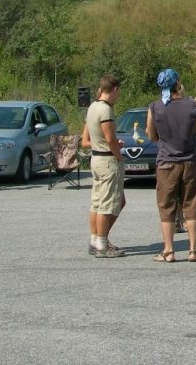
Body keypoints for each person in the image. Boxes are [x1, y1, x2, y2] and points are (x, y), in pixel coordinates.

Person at [146, 69, 196, 262]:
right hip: (189, 161)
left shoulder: (155, 107)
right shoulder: (192, 105)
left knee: (167, 207)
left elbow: (151, 135)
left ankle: (169, 251)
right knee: (191, 205)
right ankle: (193, 250)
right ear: (178, 83)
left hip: (166, 163)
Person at [81, 74, 126, 258]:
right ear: (114, 89)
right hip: (107, 161)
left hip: (96, 159)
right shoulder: (106, 110)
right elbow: (109, 139)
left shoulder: (92, 107)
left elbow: (87, 139)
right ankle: (101, 242)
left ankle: (95, 239)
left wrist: (109, 143)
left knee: (98, 202)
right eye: (118, 92)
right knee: (108, 204)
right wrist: (118, 154)